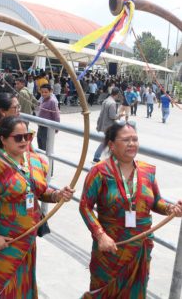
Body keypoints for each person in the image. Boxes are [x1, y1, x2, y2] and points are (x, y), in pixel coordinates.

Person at [0, 116, 74, 298]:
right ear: (2, 138)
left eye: (28, 136)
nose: (24, 141)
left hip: (28, 234)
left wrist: (57, 195)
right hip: (4, 236)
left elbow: (40, 192)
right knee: (6, 285)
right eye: (18, 137)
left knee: (22, 282)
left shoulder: (36, 161)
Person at [79, 121, 182, 298]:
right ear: (111, 145)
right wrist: (100, 235)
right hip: (111, 247)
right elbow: (85, 206)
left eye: (135, 139)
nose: (132, 144)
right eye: (126, 140)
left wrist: (171, 209)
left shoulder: (147, 171)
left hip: (140, 246)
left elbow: (156, 201)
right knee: (104, 292)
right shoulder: (99, 172)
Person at [93, 87, 121, 163]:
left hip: (103, 124)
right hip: (109, 126)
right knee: (112, 142)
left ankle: (97, 157)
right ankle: (114, 159)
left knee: (106, 142)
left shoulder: (106, 100)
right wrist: (119, 115)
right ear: (117, 94)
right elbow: (112, 116)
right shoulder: (112, 103)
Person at [37, 84, 60, 151]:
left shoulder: (52, 101)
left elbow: (56, 116)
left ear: (50, 92)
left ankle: (47, 161)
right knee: (40, 146)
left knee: (46, 148)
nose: (43, 94)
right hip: (41, 127)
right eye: (42, 92)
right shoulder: (43, 100)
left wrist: (56, 128)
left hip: (47, 128)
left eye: (46, 92)